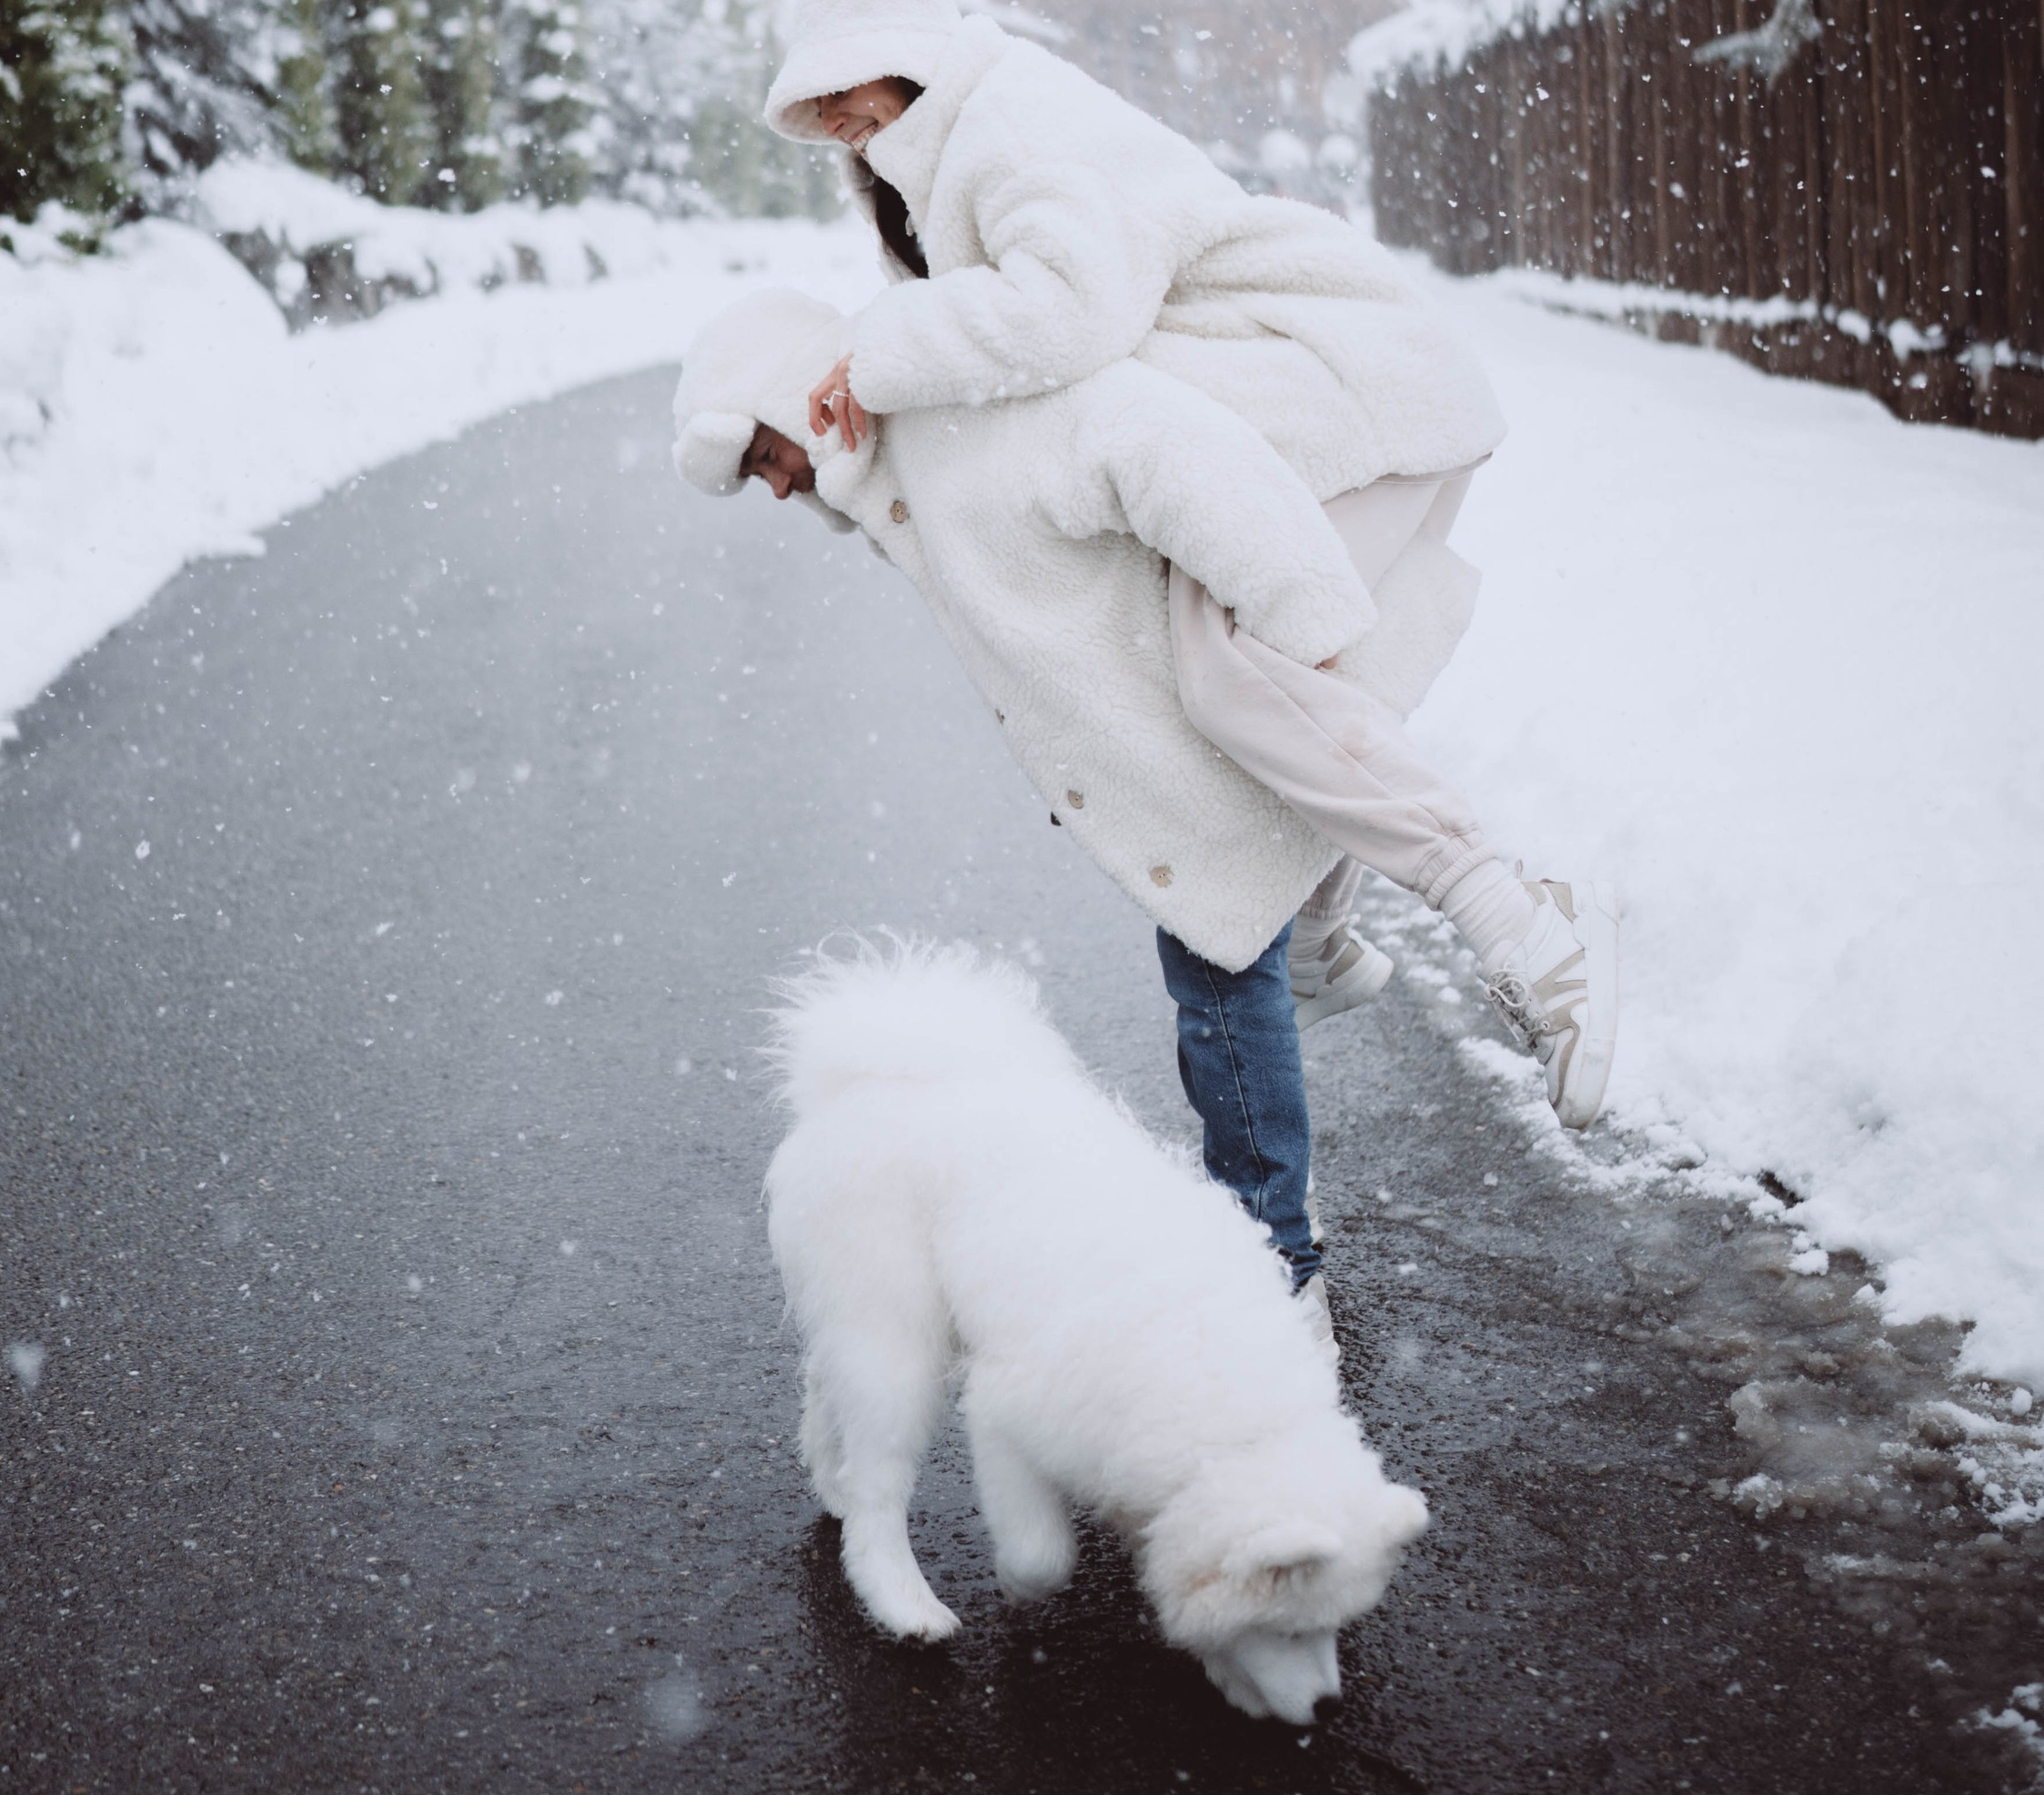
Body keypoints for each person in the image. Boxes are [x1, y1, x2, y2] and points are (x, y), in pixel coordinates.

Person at [670, 287, 1622, 1313]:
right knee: (1235, 911)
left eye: (762, 456)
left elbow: (1151, 441)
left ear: (783, 397)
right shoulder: (900, 481)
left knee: (1214, 954)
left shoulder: (958, 416)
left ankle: (1274, 1273)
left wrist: (1287, 606)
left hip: (1335, 475)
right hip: (1204, 679)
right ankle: (1317, 982)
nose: (771, 489)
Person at [758, 0, 1609, 1039]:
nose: (830, 117)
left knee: (1230, 669)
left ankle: (1527, 930)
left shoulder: (1012, 126)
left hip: (1341, 388)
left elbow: (1066, 315)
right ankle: (1317, 931)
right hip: (1288, 416)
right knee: (1273, 674)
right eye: (812, 99)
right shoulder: (933, 162)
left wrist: (881, 350)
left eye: (844, 86)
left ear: (907, 62)